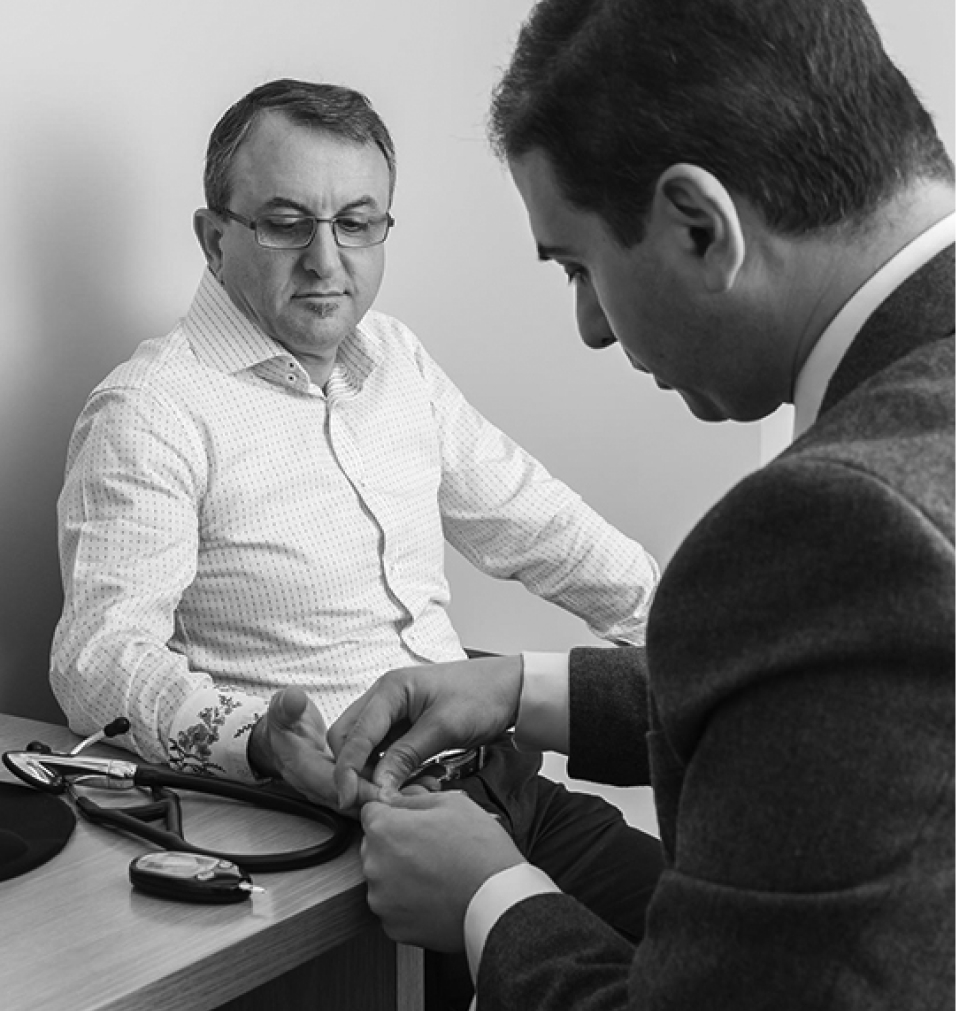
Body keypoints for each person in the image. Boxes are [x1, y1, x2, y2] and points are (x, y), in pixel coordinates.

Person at [328, 1, 956, 1008]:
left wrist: (489, 898)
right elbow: (855, 705)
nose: (589, 326)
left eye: (578, 266)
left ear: (698, 226)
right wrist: (523, 689)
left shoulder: (842, 517)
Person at [50, 78, 664, 1008]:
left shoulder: (397, 360)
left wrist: (695, 640)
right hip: (346, 834)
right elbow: (98, 658)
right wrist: (257, 740)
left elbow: (536, 519)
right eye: (286, 223)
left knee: (736, 957)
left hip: (502, 787)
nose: (326, 259)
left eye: (356, 223)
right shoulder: (152, 410)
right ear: (214, 238)